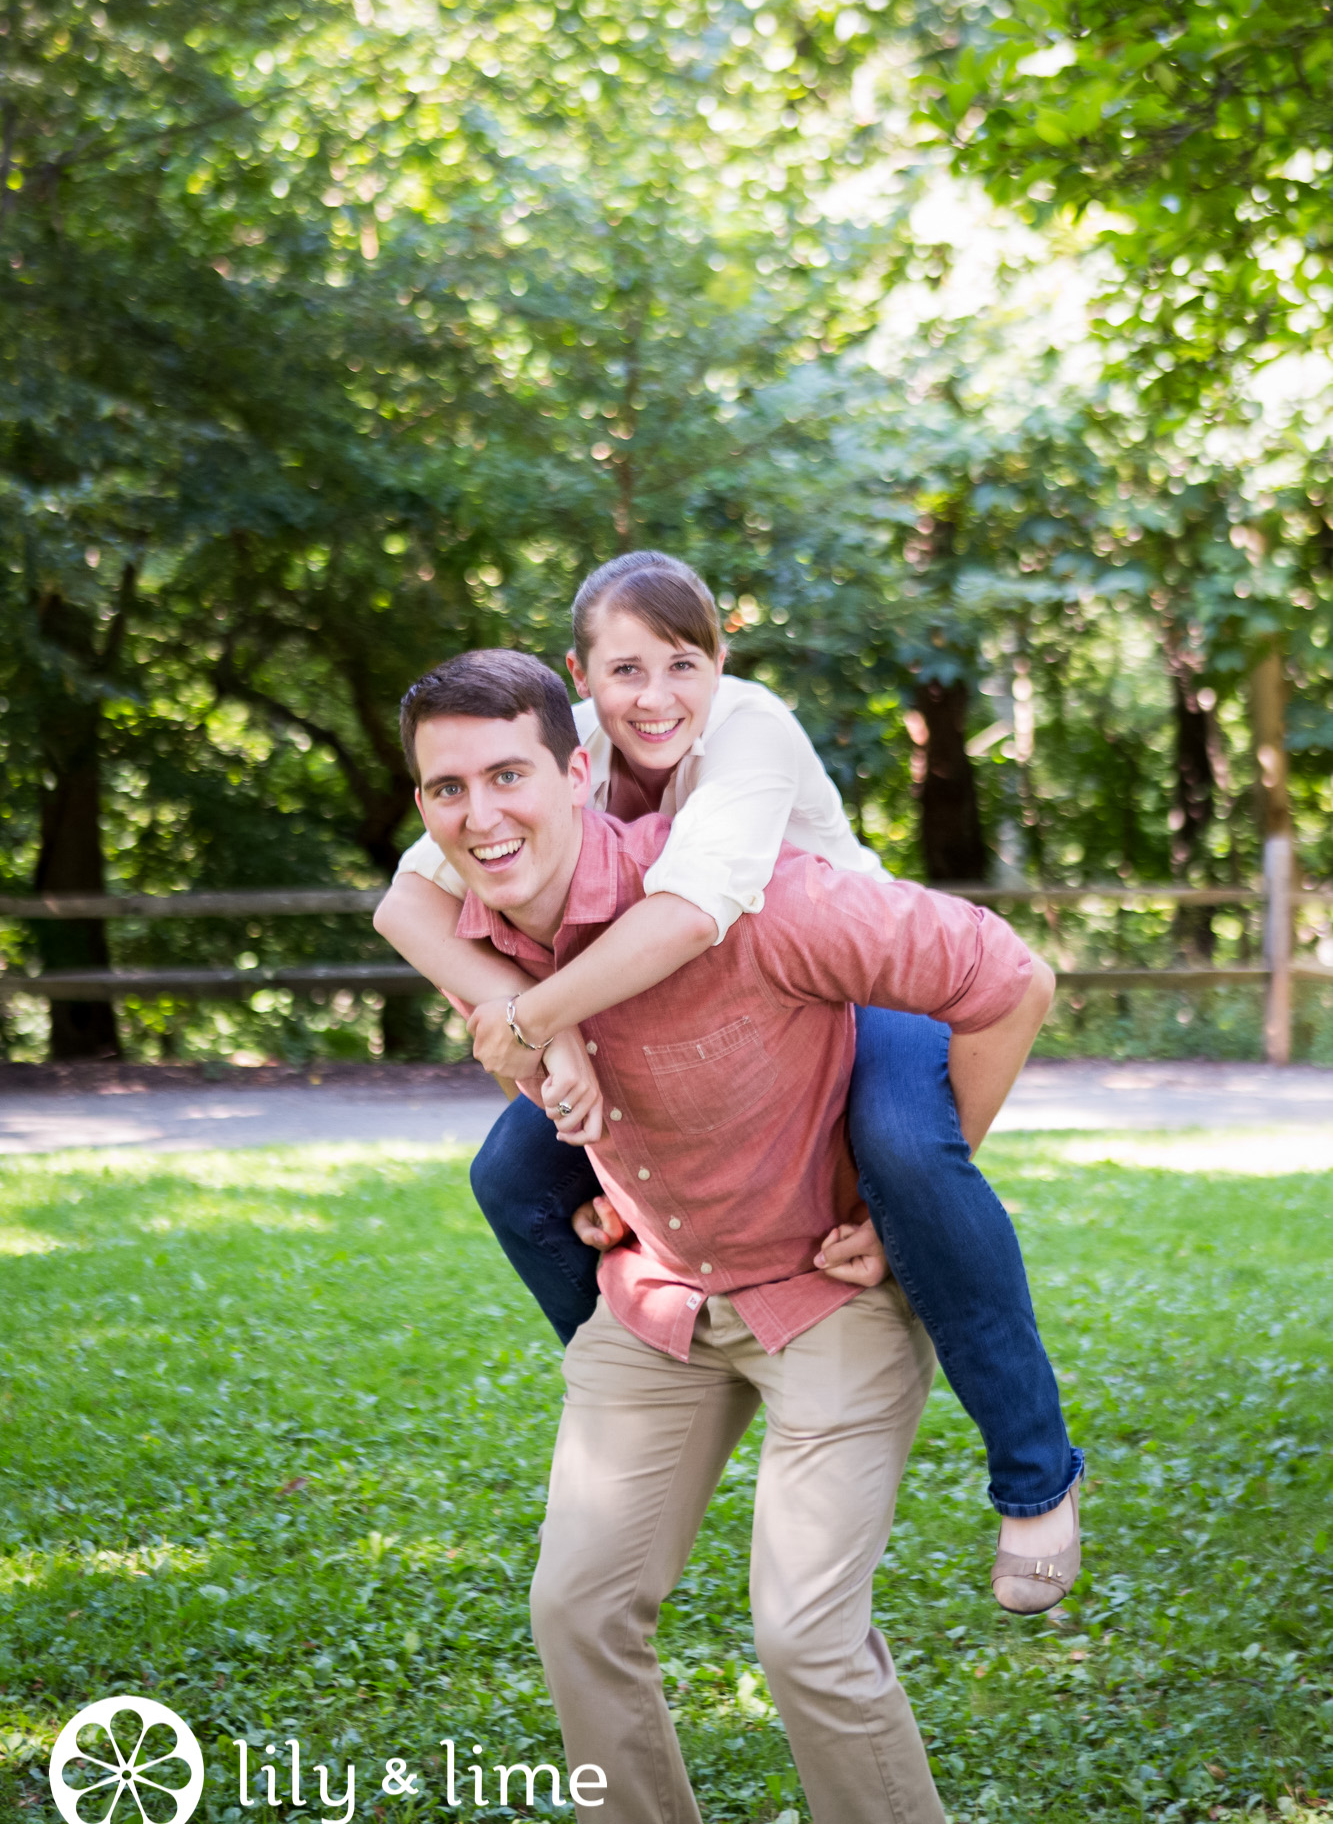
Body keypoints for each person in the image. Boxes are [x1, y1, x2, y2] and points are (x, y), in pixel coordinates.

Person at [396, 646, 1059, 1824]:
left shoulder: (755, 890)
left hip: (823, 1296)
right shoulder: (477, 930)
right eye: (447, 790)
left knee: (804, 1638)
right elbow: (410, 911)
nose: (481, 815)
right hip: (652, 1301)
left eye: (508, 775)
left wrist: (919, 1181)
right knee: (576, 1613)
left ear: (581, 769)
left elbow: (1011, 975)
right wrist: (529, 1031)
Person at [374, 554, 1081, 1612]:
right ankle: (665, 1374)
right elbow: (405, 909)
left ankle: (1035, 1474)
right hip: (652, 1003)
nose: (654, 696)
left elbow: (695, 909)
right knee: (513, 1179)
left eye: (682, 663)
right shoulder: (549, 750)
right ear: (582, 676)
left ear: (721, 663)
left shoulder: (746, 732)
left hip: (848, 978)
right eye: (623, 670)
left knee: (902, 1153)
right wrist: (542, 1035)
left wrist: (533, 1016)